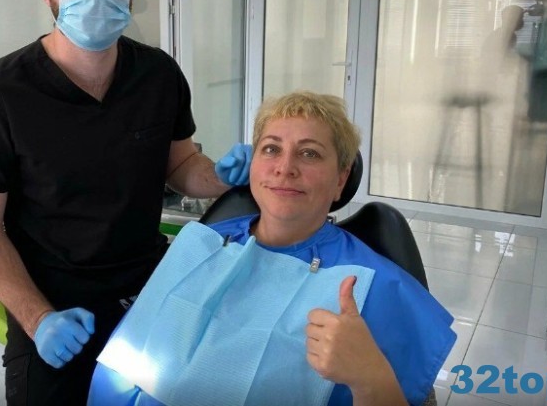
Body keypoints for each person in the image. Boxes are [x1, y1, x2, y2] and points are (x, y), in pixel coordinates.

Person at [0, 0, 251, 405]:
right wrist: (39, 320)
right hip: (51, 300)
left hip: (147, 285)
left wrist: (220, 176)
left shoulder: (158, 75)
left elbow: (180, 165)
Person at [90, 91, 456, 406]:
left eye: (309, 154)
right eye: (271, 149)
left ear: (340, 179)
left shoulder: (374, 285)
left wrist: (371, 378)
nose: (285, 167)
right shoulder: (200, 244)